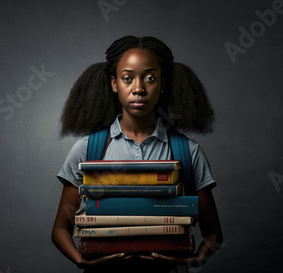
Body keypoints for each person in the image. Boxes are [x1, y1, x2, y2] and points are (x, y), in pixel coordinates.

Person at [52, 35, 223, 273]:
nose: (139, 89)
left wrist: (189, 262)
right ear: (114, 84)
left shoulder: (188, 152)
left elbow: (214, 234)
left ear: (162, 84)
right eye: (127, 78)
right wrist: (81, 261)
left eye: (150, 78)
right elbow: (60, 229)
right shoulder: (87, 149)